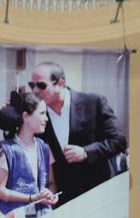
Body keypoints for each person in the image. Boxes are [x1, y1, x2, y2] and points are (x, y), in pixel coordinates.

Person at [29, 61, 127, 206]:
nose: (35, 90)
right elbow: (6, 120)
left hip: (96, 193)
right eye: (32, 85)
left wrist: (86, 152)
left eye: (41, 85)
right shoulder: (37, 112)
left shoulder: (93, 102)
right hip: (62, 198)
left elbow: (119, 140)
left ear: (60, 83)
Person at [0, 89, 59, 218]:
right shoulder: (8, 150)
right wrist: (31, 198)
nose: (46, 118)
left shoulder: (44, 148)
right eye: (42, 113)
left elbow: (51, 183)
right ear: (25, 116)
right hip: (13, 216)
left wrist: (50, 194)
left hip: (40, 216)